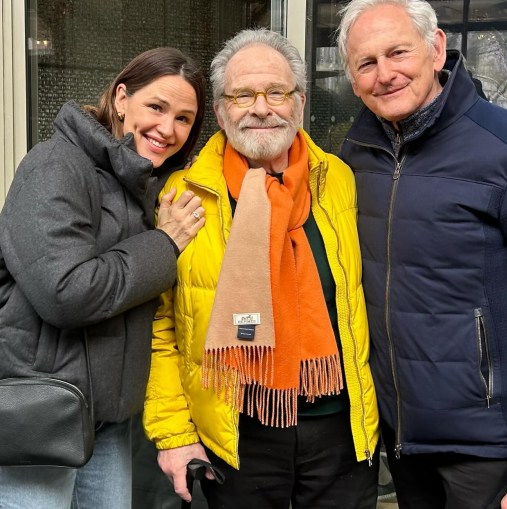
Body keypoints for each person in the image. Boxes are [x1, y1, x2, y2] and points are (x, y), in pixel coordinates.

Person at [335, 0, 507, 509]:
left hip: (494, 451)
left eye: (398, 52)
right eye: (366, 62)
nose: (385, 73)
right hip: (404, 444)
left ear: (435, 48)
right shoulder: (354, 158)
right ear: (353, 80)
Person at [143, 29, 379, 509]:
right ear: (220, 111)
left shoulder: (337, 179)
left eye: (276, 92)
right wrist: (173, 436)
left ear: (299, 102)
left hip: (340, 429)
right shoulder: (181, 193)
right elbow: (157, 327)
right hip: (234, 434)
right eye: (242, 94)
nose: (261, 107)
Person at [0, 47, 207, 509]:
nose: (167, 129)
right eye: (156, 107)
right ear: (120, 98)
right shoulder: (55, 164)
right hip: (41, 414)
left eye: (184, 118)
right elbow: (65, 292)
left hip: (107, 422)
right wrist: (166, 245)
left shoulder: (137, 185)